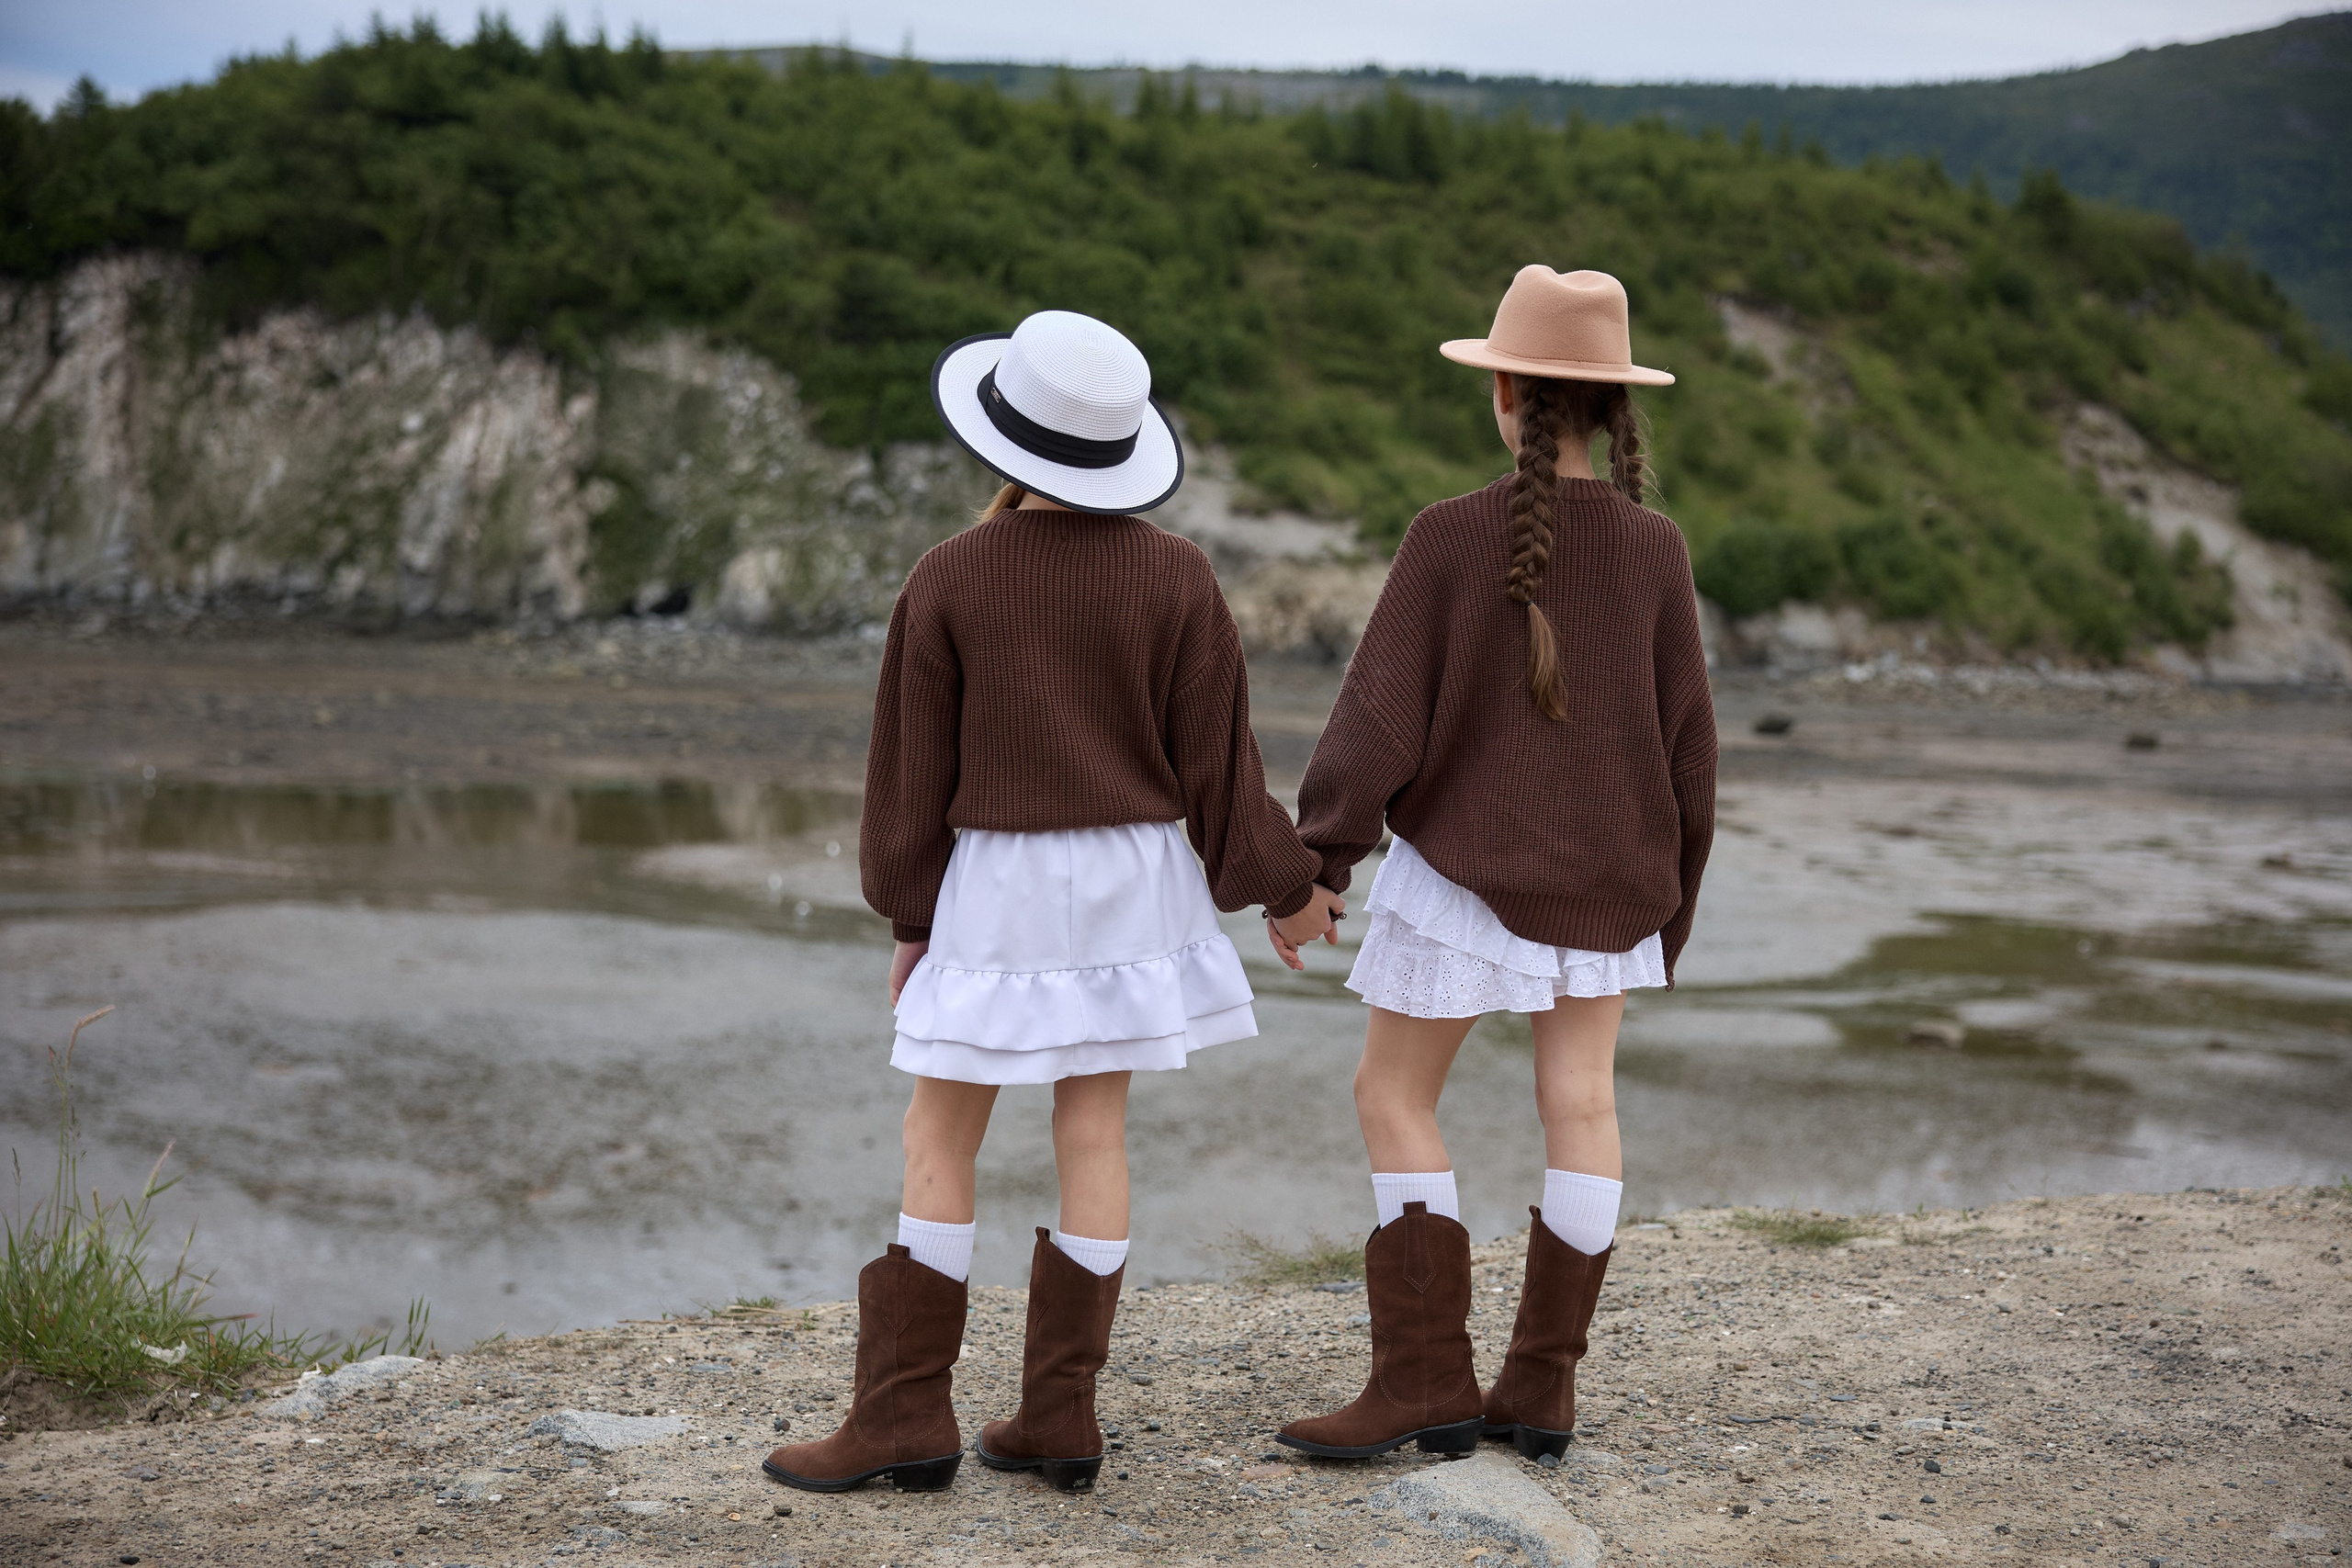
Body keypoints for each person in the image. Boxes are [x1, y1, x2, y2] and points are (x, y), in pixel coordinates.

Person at [763, 309, 1346, 1496]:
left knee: (940, 1131)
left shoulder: (950, 577)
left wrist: (910, 917)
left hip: (1004, 885)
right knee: (1093, 1132)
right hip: (1137, 886)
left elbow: (906, 787)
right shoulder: (1179, 575)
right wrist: (1288, 894)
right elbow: (1221, 775)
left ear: (1004, 440)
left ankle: (904, 1417)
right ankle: (1059, 1418)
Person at [1272, 266, 1715, 1462]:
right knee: (1582, 1103)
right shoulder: (1657, 550)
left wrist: (1319, 865)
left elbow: (1377, 725)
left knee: (1393, 1096)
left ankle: (1425, 1380)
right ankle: (1539, 1389)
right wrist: (1665, 908)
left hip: (1465, 880)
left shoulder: (1450, 537)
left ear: (1507, 391)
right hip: (1614, 881)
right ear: (1614, 412)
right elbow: (1691, 751)